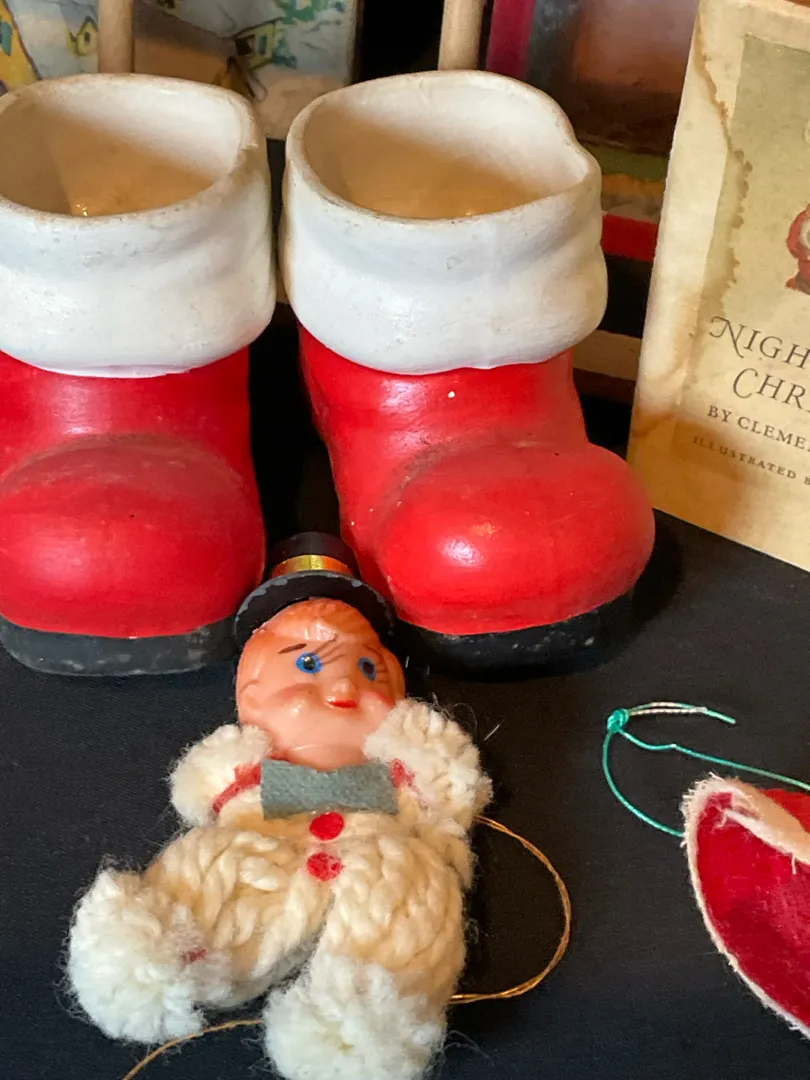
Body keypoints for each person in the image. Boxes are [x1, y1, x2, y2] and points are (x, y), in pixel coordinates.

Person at [68, 533, 491, 1080]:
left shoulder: (409, 769)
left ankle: (363, 1022)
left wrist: (428, 780)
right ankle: (154, 955)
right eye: (309, 665)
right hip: (267, 842)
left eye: (368, 671)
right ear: (250, 698)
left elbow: (447, 802)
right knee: (215, 865)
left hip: (383, 854)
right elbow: (211, 800)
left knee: (412, 896)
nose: (343, 687)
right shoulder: (244, 777)